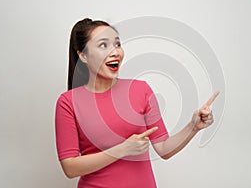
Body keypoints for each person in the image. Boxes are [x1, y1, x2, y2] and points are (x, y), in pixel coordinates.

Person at [55, 18, 219, 188]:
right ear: (83, 55)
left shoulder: (140, 90)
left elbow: (163, 148)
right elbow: (70, 167)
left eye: (117, 44)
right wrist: (122, 149)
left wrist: (193, 126)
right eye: (103, 45)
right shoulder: (68, 102)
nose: (115, 52)